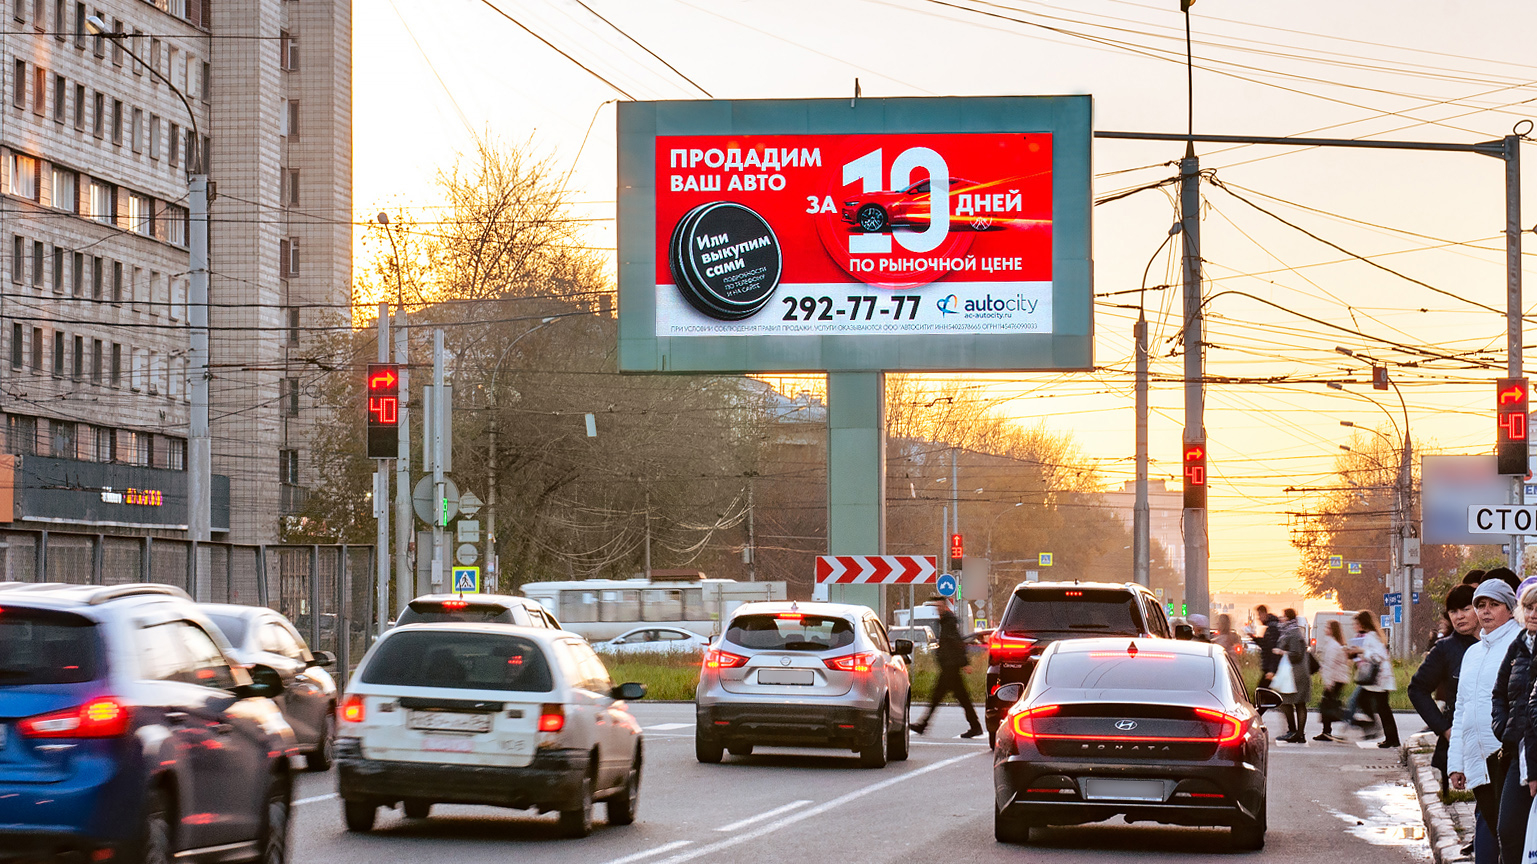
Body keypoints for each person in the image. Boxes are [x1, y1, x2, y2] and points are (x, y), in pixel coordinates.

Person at [1450, 578, 1521, 864]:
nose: (1486, 611)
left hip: (1508, 760)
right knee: (1492, 836)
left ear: (1510, 609)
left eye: (1494, 604)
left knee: (1510, 839)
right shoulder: (1473, 653)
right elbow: (1461, 709)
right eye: (1480, 605)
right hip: (1478, 760)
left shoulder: (1519, 645)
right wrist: (1456, 763)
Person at [1407, 585, 1479, 794]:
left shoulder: (1498, 643)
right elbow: (1417, 689)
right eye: (1453, 612)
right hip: (1462, 739)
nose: (1459, 616)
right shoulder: (1446, 648)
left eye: (1466, 609)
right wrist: (1444, 729)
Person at [1493, 581, 1537, 864]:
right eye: (1529, 607)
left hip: (1535, 750)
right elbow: (1499, 692)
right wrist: (1503, 727)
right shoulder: (1519, 646)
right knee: (1508, 830)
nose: (1533, 614)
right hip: (1517, 752)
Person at [911, 596, 982, 739]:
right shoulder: (945, 621)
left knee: (950, 698)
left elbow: (957, 642)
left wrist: (964, 663)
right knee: (952, 698)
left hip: (951, 668)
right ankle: (975, 726)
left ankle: (923, 725)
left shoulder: (948, 622)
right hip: (948, 667)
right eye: (936, 607)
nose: (937, 609)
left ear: (944, 606)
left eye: (939, 606)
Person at [1352, 610, 1398, 749]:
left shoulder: (1371, 636)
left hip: (1379, 679)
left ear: (1363, 623)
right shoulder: (1371, 636)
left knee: (1382, 708)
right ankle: (1391, 738)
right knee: (1382, 708)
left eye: (1357, 623)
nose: (1355, 626)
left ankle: (1388, 736)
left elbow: (1378, 656)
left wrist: (1362, 652)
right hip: (1378, 680)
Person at [1273, 609, 1311, 743]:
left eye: (1283, 616)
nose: (1281, 619)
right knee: (1298, 703)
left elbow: (1295, 654)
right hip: (1297, 673)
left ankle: (1296, 732)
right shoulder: (1293, 630)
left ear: (1288, 618)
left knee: (1287, 702)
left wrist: (1281, 652)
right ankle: (1296, 733)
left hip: (1296, 674)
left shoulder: (1293, 632)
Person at [1315, 619, 1354, 743]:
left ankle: (1352, 720)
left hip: (1335, 679)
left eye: (1327, 627)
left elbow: (1330, 665)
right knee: (1328, 705)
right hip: (1338, 678)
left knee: (1329, 706)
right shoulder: (1334, 643)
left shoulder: (1333, 645)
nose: (1325, 629)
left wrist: (1329, 682)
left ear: (1332, 630)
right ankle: (1326, 731)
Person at [1254, 605, 1282, 704]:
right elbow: (1266, 646)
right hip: (1270, 667)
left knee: (1261, 693)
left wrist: (1271, 670)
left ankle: (1259, 712)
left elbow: (1273, 650)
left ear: (1264, 614)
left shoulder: (1272, 628)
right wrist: (1254, 638)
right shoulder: (1272, 626)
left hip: (1270, 668)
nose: (1258, 618)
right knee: (1263, 693)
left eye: (1259, 615)